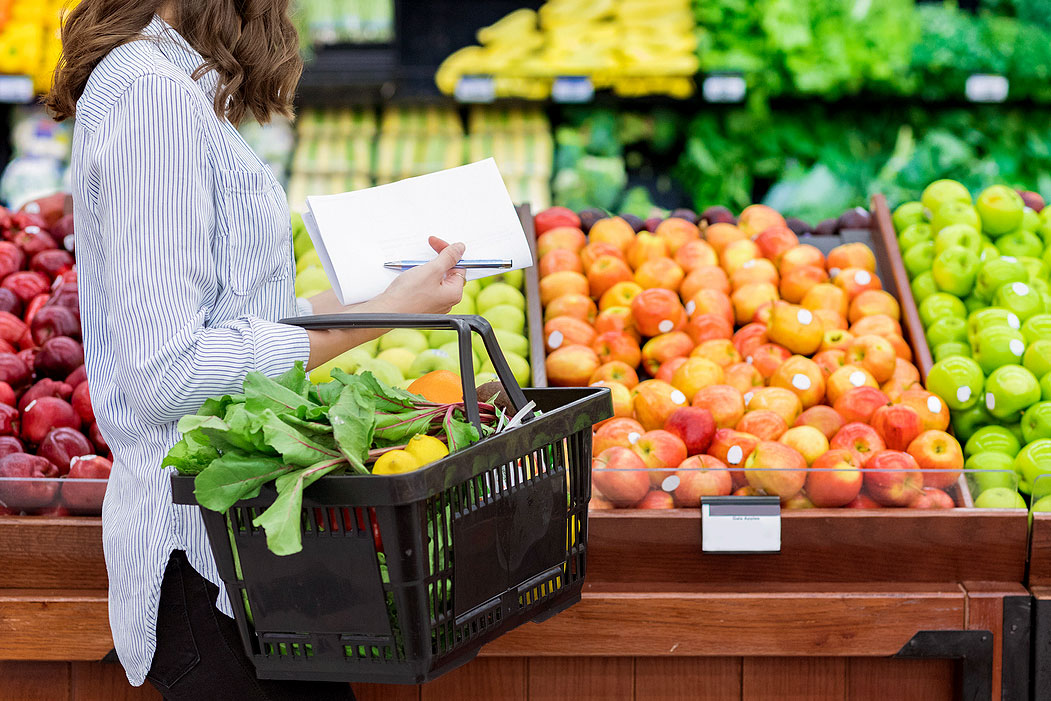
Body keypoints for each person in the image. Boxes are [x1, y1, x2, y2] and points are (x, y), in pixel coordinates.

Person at [45, 1, 466, 698]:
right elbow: (167, 370)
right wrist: (373, 323)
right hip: (203, 563)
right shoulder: (152, 97)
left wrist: (393, 300)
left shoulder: (169, 87)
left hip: (248, 564)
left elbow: (237, 321)